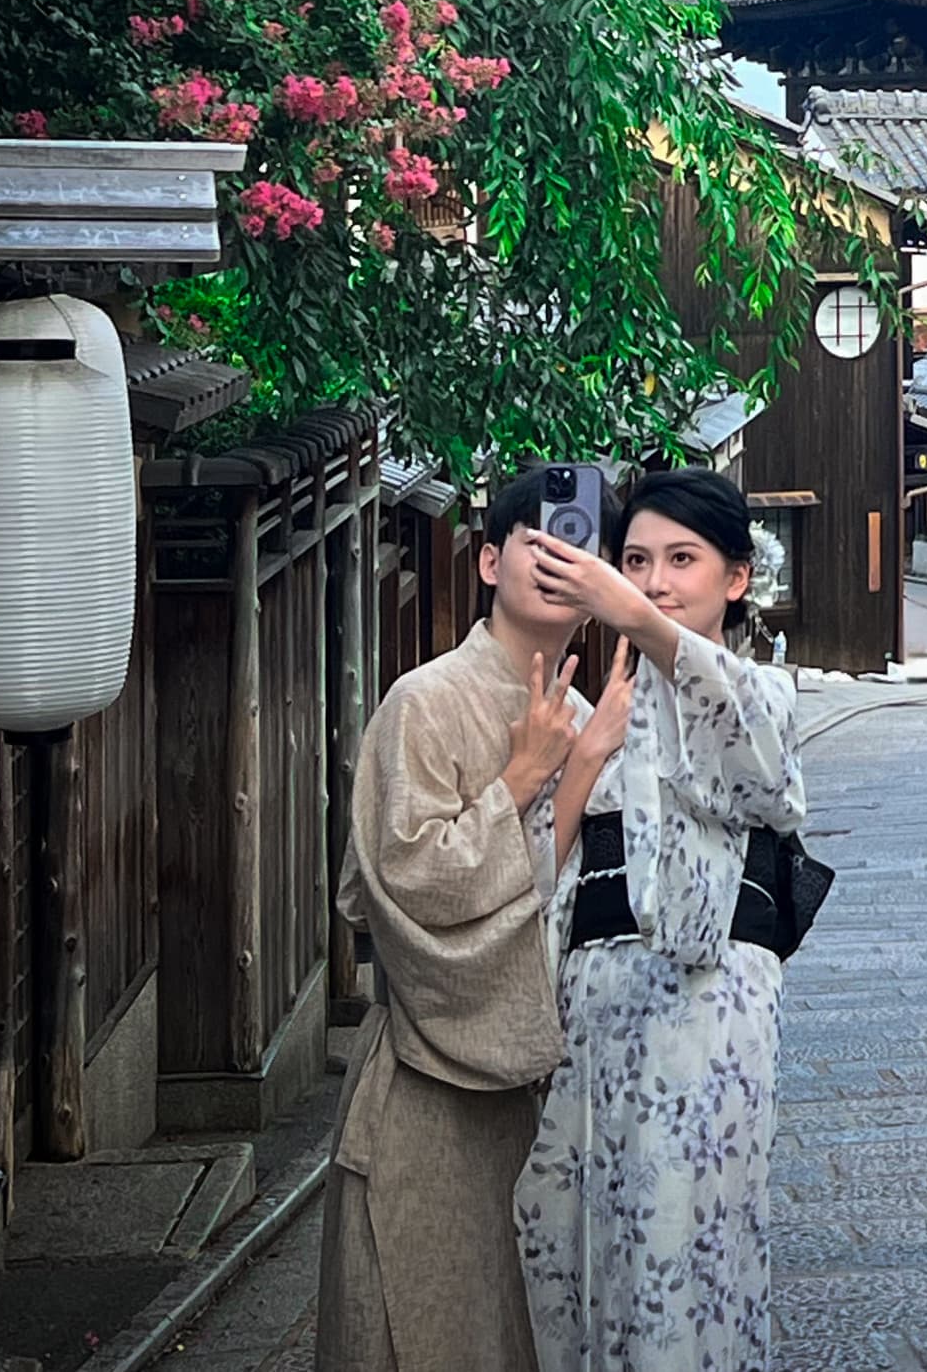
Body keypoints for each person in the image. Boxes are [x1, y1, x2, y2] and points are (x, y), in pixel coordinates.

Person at [315, 468, 632, 1372]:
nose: (561, 555)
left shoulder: (591, 718)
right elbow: (401, 892)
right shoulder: (424, 700)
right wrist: (529, 779)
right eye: (540, 536)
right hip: (431, 1102)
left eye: (584, 543)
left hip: (552, 1111)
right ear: (490, 560)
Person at [513, 467, 806, 1372]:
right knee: (560, 1230)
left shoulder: (758, 691)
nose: (655, 578)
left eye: (683, 558)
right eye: (636, 559)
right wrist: (576, 753)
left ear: (737, 577)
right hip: (587, 1003)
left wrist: (636, 619)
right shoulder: (572, 708)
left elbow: (764, 777)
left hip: (705, 1006)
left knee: (683, 1245)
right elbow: (527, 871)